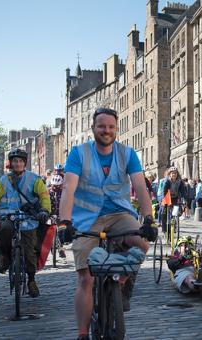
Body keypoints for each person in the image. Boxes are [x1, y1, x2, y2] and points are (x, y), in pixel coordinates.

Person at [57, 107, 157, 340]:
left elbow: (140, 187)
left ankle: (121, 282)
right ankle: (82, 334)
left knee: (141, 244)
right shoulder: (78, 153)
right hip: (86, 219)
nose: (106, 130)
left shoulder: (127, 153)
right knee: (85, 278)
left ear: (116, 130)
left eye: (111, 127)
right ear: (93, 128)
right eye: (102, 126)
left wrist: (148, 218)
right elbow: (68, 188)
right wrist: (65, 222)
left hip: (119, 214)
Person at [0, 149, 51, 298]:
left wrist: (44, 211)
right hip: (8, 216)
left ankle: (32, 280)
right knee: (5, 229)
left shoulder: (35, 180)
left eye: (20, 161)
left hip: (28, 218)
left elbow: (44, 197)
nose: (18, 163)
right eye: (15, 161)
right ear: (11, 163)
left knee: (29, 251)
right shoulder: (3, 181)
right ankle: (4, 256)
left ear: (24, 163)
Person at [160, 167, 187, 233]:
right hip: (167, 196)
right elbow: (164, 191)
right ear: (169, 174)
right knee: (164, 212)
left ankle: (173, 225)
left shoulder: (180, 181)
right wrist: (166, 201)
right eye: (172, 173)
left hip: (175, 197)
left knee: (175, 212)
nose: (174, 175)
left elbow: (183, 191)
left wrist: (184, 199)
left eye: (175, 173)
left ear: (177, 174)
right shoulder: (167, 180)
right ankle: (164, 229)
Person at [49, 174, 67, 257]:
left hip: (61, 215)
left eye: (58, 186)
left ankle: (61, 249)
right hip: (50, 214)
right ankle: (49, 245)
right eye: (54, 186)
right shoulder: (48, 192)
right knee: (46, 231)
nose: (56, 188)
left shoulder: (64, 192)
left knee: (62, 231)